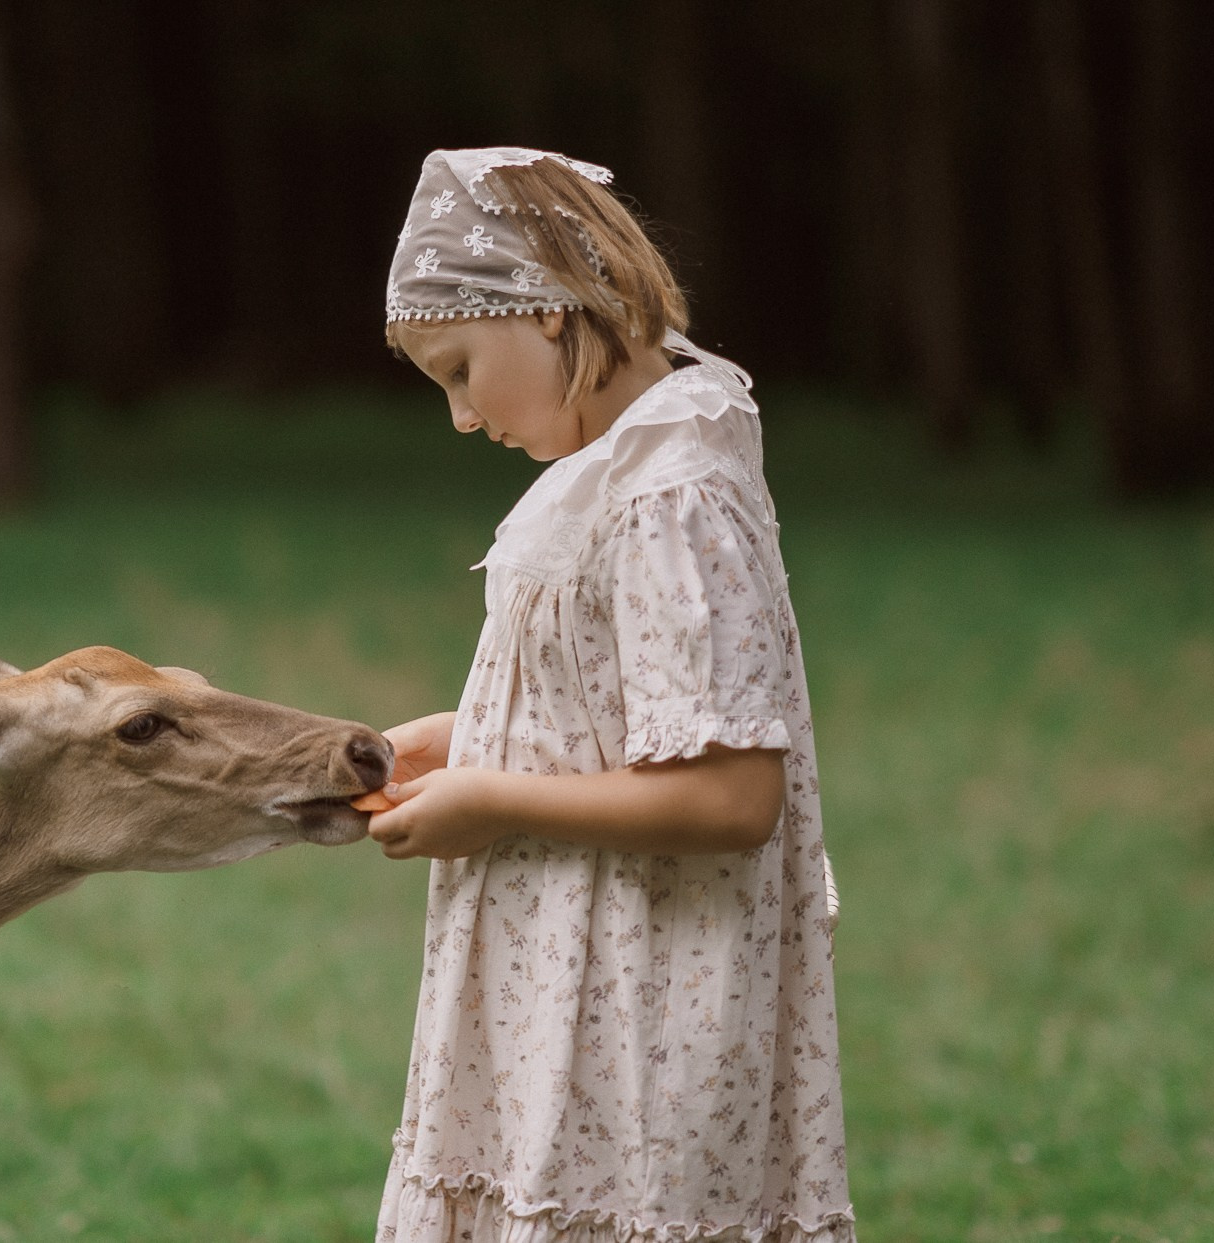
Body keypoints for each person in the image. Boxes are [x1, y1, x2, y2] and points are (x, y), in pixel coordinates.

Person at [363, 148, 853, 1242]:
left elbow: (729, 796)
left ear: (544, 309)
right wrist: (460, 742)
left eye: (458, 368)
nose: (458, 415)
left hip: (643, 1004)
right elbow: (620, 717)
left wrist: (495, 804)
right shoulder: (628, 467)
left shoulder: (669, 494)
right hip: (569, 995)